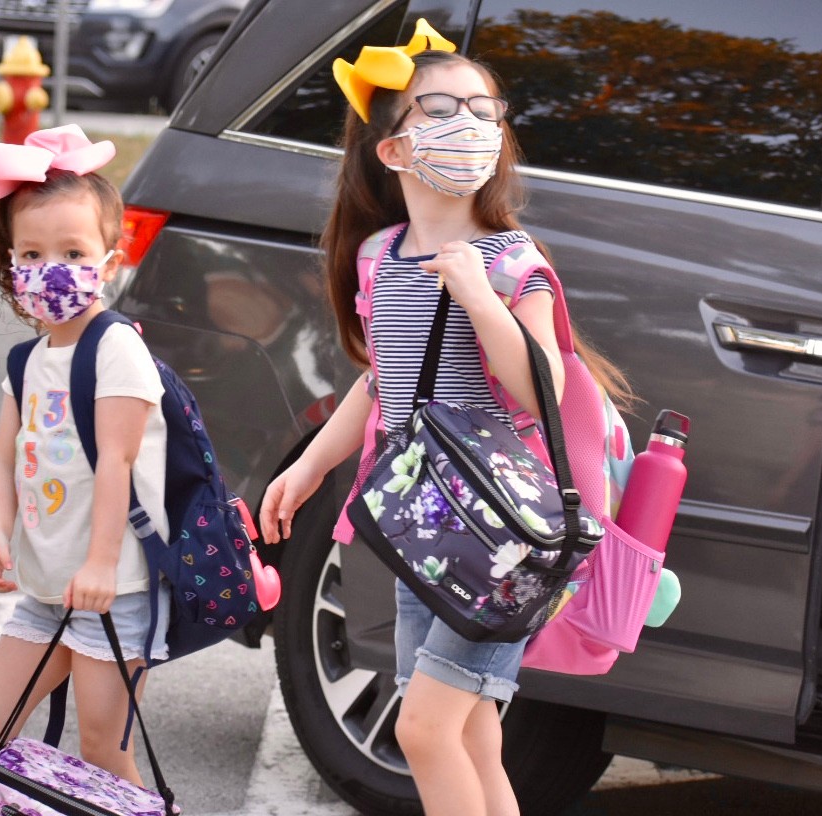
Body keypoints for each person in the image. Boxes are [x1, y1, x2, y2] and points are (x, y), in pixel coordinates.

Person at [259, 20, 632, 816]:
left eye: (483, 109)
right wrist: (310, 465)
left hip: (501, 538)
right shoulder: (380, 257)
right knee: (469, 737)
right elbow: (382, 385)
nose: (469, 124)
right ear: (391, 151)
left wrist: (475, 294)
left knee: (426, 731)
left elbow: (539, 386)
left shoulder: (510, 261)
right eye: (439, 109)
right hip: (422, 527)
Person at [0, 124, 171, 787]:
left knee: (103, 754)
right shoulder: (29, 361)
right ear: (11, 264)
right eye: (32, 253)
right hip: (47, 588)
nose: (50, 269)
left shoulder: (116, 349)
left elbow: (118, 462)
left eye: (73, 251)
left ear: (111, 259)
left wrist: (103, 563)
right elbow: (1, 460)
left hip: (116, 591)